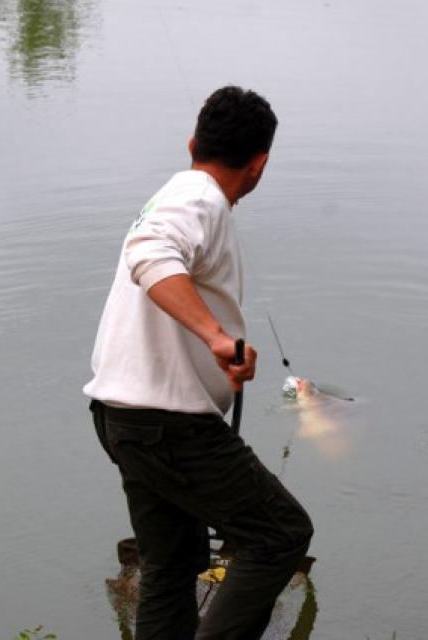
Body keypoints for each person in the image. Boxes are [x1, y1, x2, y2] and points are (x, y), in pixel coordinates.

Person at [84, 86, 314, 640]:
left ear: (193, 143)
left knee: (171, 563)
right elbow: (149, 253)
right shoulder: (199, 199)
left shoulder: (178, 193)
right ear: (259, 165)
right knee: (281, 532)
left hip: (123, 419)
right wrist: (215, 337)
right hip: (170, 428)